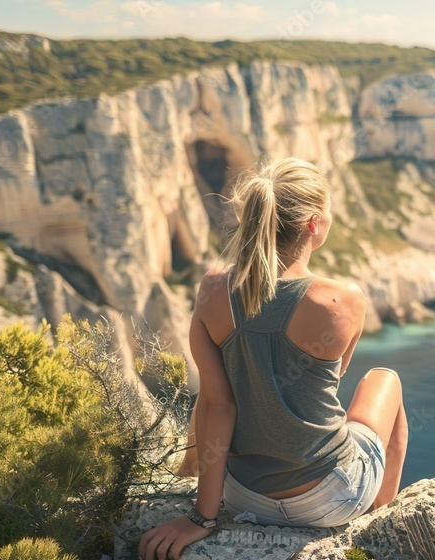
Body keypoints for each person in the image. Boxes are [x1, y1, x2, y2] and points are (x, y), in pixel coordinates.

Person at [138, 158, 409, 560]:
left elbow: (216, 405)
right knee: (384, 380)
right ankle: (380, 514)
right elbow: (326, 385)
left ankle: (193, 477)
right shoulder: (343, 300)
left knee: (216, 393)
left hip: (244, 496)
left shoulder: (212, 290)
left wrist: (201, 518)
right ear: (315, 224)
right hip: (330, 498)